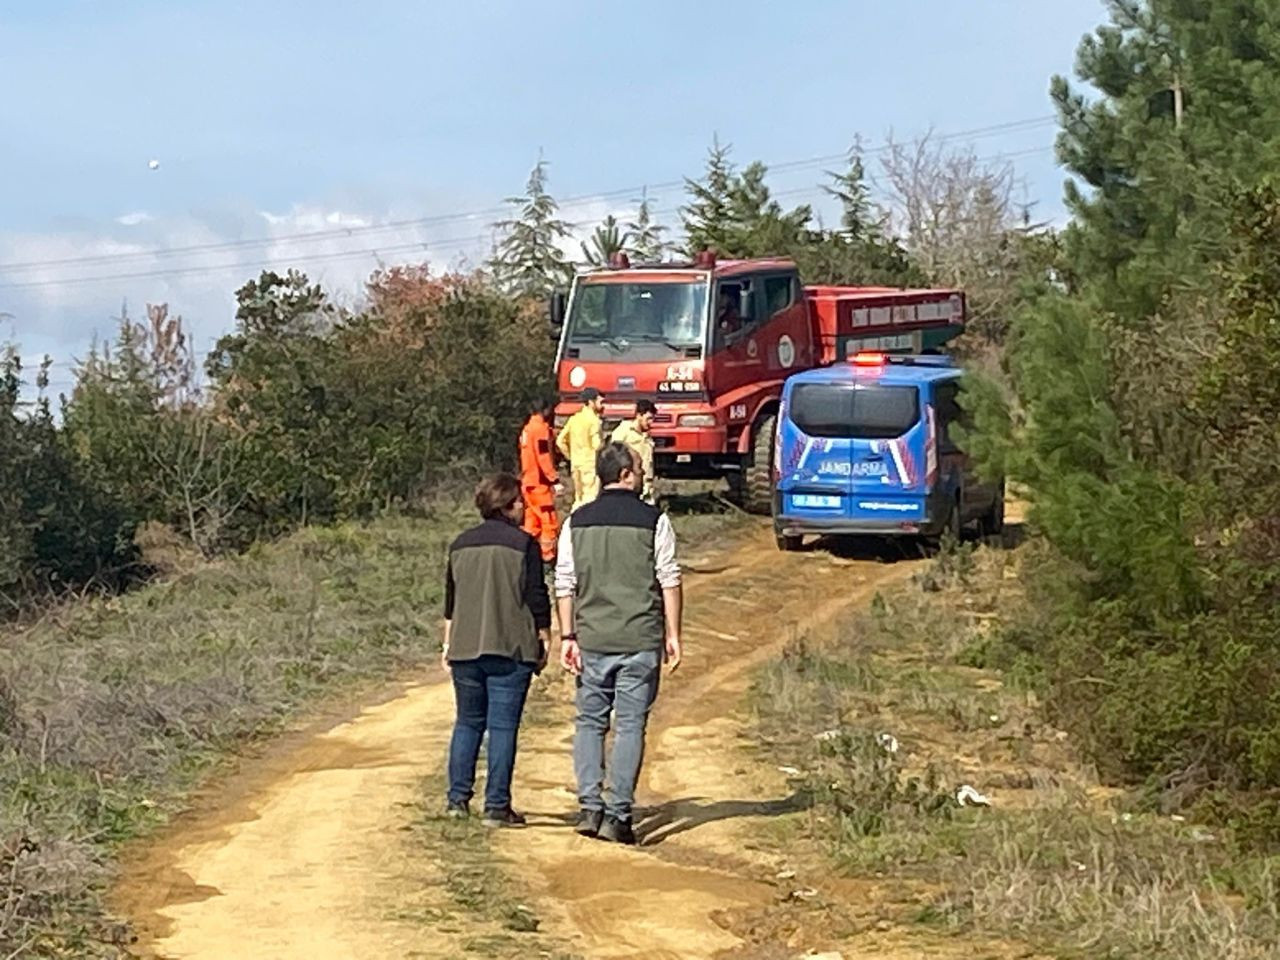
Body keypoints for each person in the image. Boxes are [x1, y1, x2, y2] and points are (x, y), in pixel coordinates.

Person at [554, 442, 683, 845]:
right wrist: (673, 634)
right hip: (640, 637)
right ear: (626, 474)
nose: (644, 474)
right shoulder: (654, 520)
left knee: (590, 722)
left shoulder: (576, 521)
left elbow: (564, 581)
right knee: (629, 726)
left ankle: (590, 807)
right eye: (640, 468)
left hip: (592, 638)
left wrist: (568, 634)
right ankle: (618, 815)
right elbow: (669, 578)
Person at [442, 473, 551, 827]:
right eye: (519, 500)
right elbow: (536, 597)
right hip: (511, 647)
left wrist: (447, 645)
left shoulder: (459, 544)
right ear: (507, 505)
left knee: (468, 724)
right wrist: (544, 638)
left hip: (464, 648)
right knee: (503, 728)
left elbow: (451, 602)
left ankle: (457, 801)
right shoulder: (524, 544)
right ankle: (496, 806)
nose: (523, 506)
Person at [518, 398, 563, 563]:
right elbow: (543, 457)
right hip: (539, 484)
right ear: (545, 410)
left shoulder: (527, 429)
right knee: (548, 521)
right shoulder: (540, 429)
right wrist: (554, 479)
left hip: (528, 482)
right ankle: (548, 558)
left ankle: (525, 553)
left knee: (531, 523)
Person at [556, 387, 606, 510]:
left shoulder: (574, 419)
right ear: (591, 402)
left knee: (578, 499)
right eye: (600, 402)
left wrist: (570, 457)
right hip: (590, 465)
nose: (603, 406)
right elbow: (597, 445)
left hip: (576, 465)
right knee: (590, 499)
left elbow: (560, 441)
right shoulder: (594, 421)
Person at [610, 399, 657, 504]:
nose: (651, 423)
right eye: (648, 419)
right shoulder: (624, 431)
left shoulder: (646, 435)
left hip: (647, 485)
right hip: (630, 484)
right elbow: (614, 452)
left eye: (652, 419)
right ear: (639, 415)